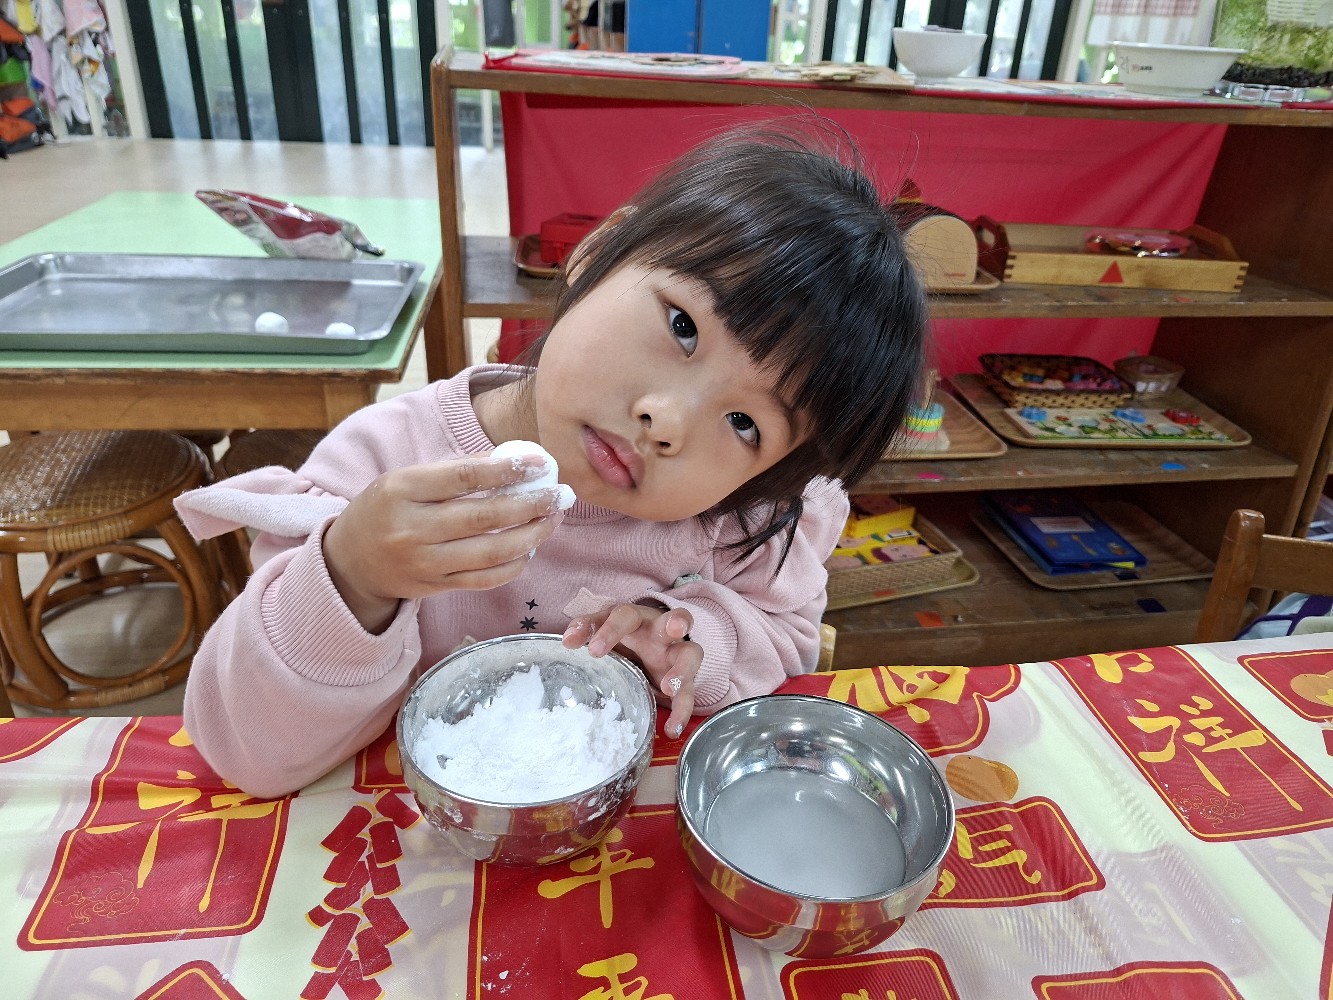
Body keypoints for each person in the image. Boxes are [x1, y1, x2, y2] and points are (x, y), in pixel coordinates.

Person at [174, 120, 929, 799]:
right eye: (682, 326)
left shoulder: (745, 521)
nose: (665, 422)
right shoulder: (384, 465)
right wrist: (356, 575)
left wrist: (693, 635)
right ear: (597, 254)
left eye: (743, 423)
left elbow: (784, 635)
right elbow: (247, 754)